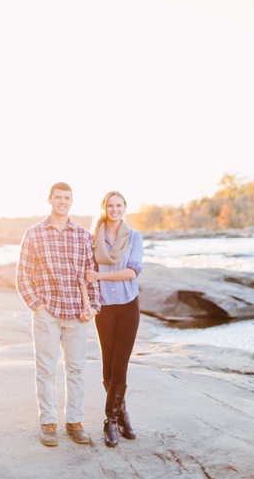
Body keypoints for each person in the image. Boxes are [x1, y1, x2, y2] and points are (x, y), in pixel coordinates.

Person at [16, 182, 101, 447]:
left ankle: (74, 422)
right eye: (58, 197)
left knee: (76, 369)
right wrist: (37, 306)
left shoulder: (83, 236)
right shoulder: (34, 234)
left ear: (71, 202)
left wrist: (94, 305)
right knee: (46, 370)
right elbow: (22, 277)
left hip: (77, 314)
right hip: (47, 313)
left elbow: (91, 275)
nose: (62, 201)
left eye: (67, 198)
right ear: (50, 200)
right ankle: (48, 423)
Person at [85, 191, 143, 447]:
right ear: (104, 208)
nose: (115, 209)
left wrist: (99, 277)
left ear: (124, 208)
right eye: (111, 205)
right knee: (107, 366)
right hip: (105, 308)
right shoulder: (93, 238)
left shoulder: (134, 237)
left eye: (119, 205)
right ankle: (123, 415)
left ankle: (110, 420)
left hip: (129, 307)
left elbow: (131, 272)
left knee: (120, 365)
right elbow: (84, 271)